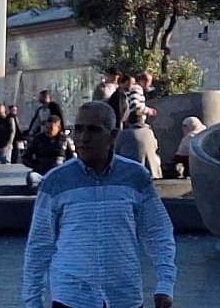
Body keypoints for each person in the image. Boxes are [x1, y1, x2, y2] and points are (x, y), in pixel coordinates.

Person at [21, 100, 176, 308]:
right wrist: (33, 302)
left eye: (93, 130)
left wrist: (165, 284)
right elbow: (39, 246)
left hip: (124, 297)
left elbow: (158, 231)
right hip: (72, 299)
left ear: (113, 136)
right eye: (78, 129)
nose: (83, 138)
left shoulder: (136, 177)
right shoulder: (55, 182)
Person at [23, 114, 76, 179]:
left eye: (51, 128)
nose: (48, 130)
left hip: (59, 171)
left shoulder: (65, 140)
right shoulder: (38, 139)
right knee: (32, 177)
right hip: (40, 172)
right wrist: (36, 165)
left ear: (58, 128)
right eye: (46, 127)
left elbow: (73, 159)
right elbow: (25, 157)